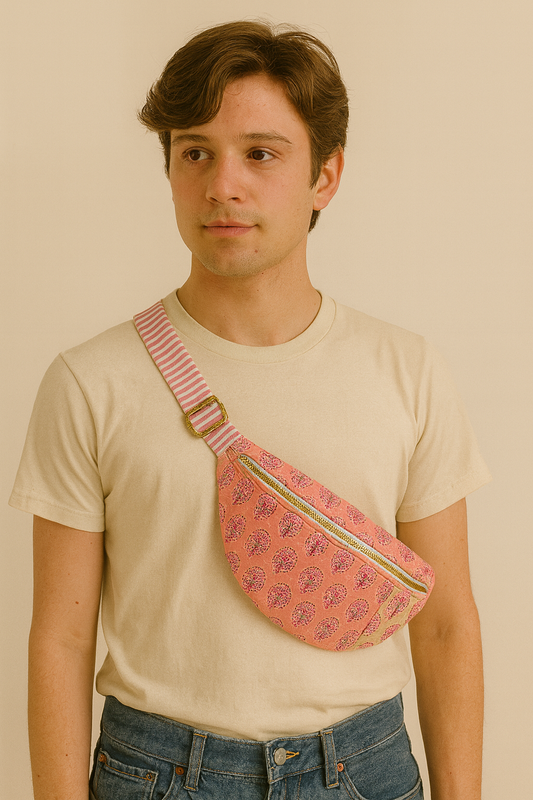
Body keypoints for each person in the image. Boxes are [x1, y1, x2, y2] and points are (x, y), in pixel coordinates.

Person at [10, 20, 491, 800]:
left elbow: (444, 623)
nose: (222, 186)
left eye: (260, 154)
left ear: (324, 177)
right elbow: (60, 640)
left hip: (364, 767)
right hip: (155, 771)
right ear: (169, 169)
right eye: (195, 153)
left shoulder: (406, 369)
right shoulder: (90, 382)